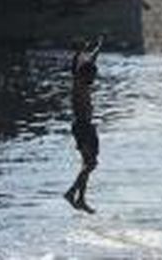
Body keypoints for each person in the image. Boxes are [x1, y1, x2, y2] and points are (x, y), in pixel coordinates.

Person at [64, 36, 104, 214]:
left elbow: (88, 62)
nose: (94, 77)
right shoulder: (79, 85)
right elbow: (79, 67)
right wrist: (79, 52)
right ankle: (72, 192)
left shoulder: (82, 83)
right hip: (82, 127)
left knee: (87, 163)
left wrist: (98, 48)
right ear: (84, 74)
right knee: (91, 163)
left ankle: (80, 198)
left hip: (85, 126)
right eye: (92, 74)